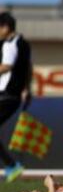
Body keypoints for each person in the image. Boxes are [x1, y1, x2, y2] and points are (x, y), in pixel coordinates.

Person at [0, 12, 32, 182]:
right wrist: (27, 88)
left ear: (5, 27)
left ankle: (12, 166)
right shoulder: (24, 43)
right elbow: (28, 68)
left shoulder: (9, 44)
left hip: (6, 94)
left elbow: (6, 66)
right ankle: (11, 165)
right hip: (14, 95)